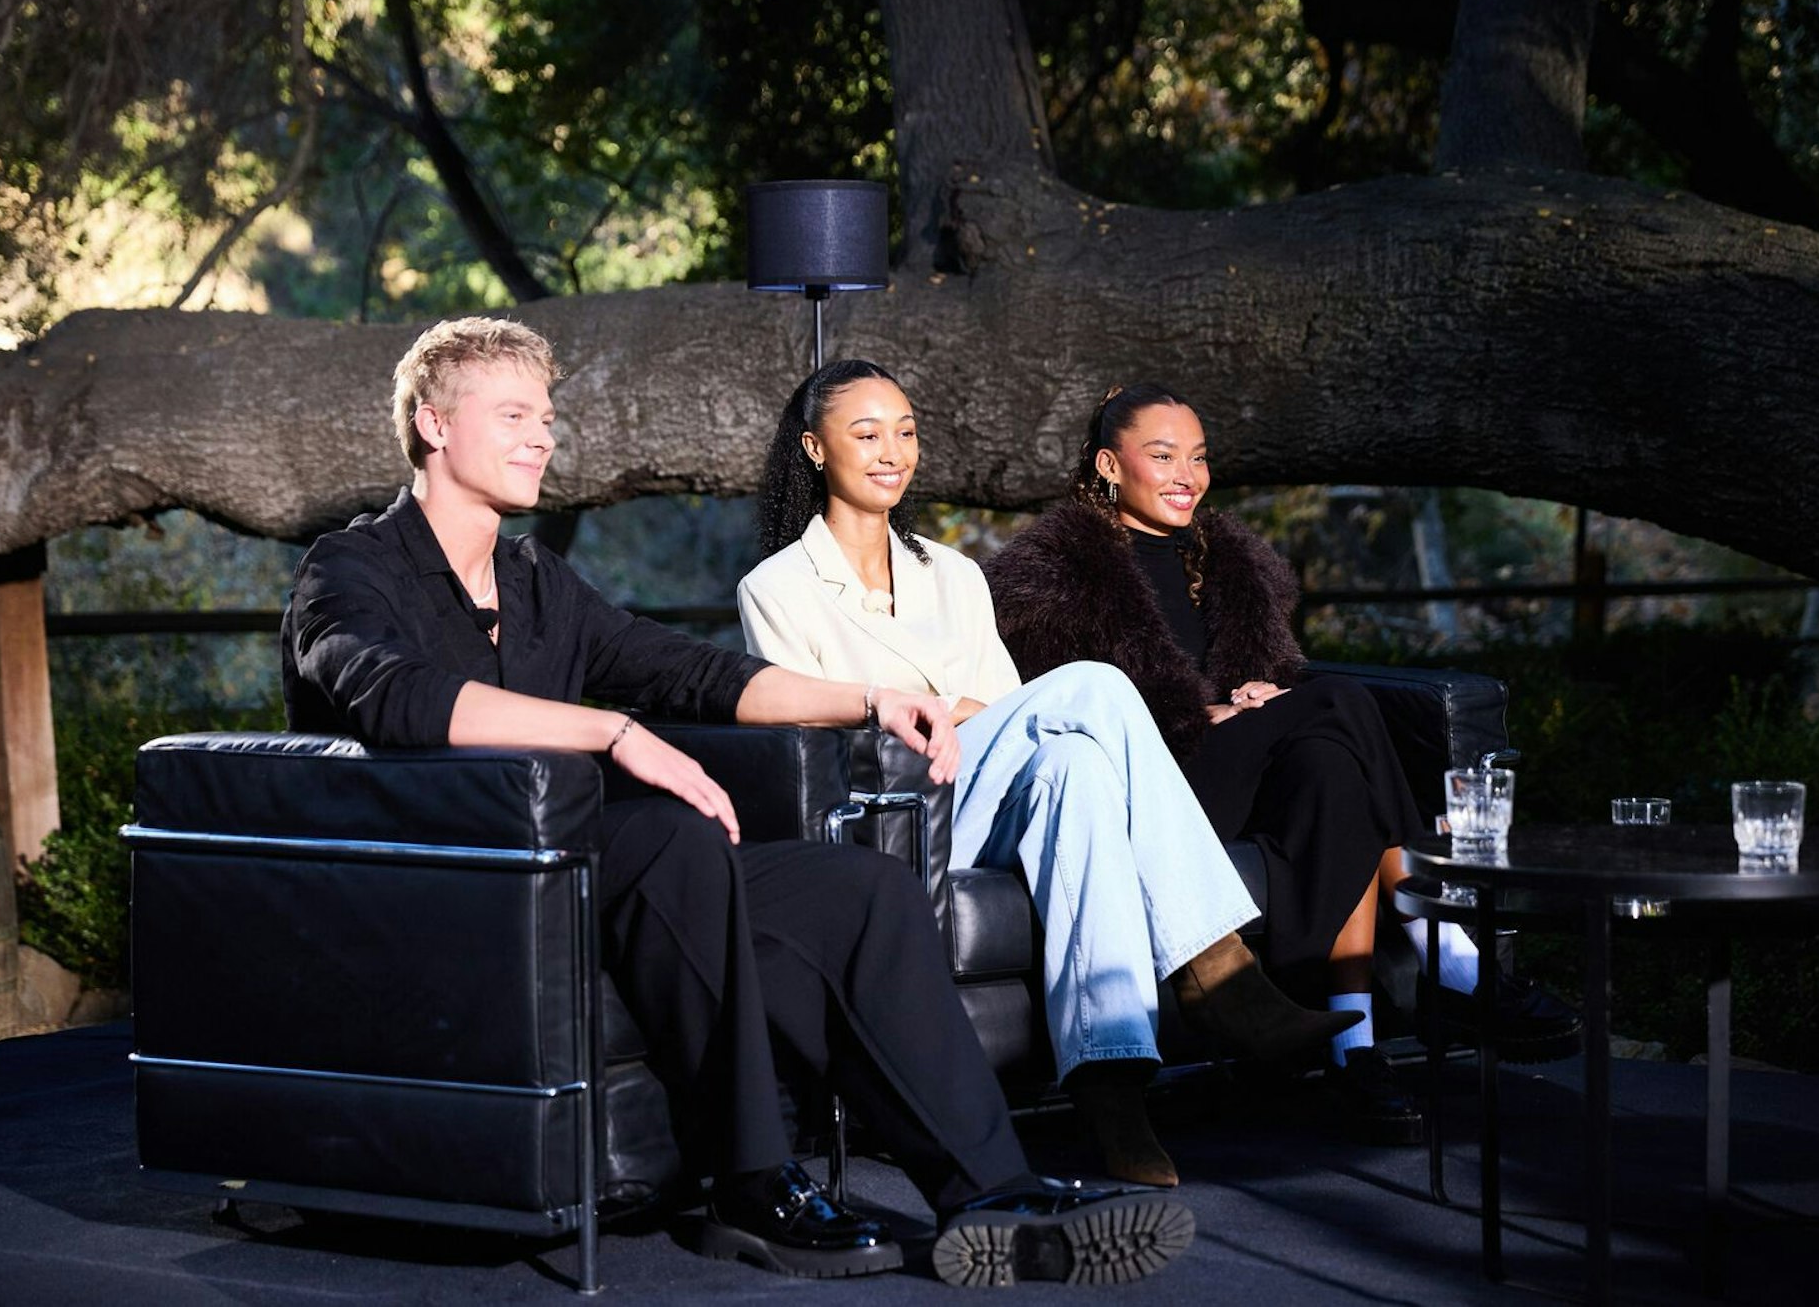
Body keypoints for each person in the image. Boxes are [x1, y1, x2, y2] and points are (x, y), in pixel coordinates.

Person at [280, 318, 1194, 1287]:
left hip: (588, 876)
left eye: (545, 417)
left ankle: (990, 1192)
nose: (542, 436)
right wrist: (613, 731)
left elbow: (692, 674)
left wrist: (870, 699)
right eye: (513, 414)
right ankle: (750, 1184)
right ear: (430, 422)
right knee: (669, 831)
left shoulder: (536, 580)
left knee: (861, 892)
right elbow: (397, 699)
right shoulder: (349, 569)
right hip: (457, 885)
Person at [737, 359, 1359, 1186]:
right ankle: (1218, 969)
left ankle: (1111, 1091)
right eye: (867, 434)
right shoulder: (775, 587)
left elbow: (1003, 709)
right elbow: (798, 728)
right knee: (1094, 689)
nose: (893, 452)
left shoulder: (952, 575)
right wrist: (930, 706)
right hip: (888, 803)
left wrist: (964, 711)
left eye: (907, 432)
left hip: (982, 788)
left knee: (1075, 766)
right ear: (816, 449)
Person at [982, 382, 1583, 1144]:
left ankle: (1352, 1047)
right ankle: (1452, 951)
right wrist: (1200, 713)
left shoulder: (1233, 563)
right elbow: (1063, 712)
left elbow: (1276, 681)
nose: (1185, 475)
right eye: (1162, 456)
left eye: (1198, 458)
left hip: (1237, 770)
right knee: (1338, 705)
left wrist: (1263, 692)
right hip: (1150, 788)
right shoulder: (1052, 576)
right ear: (1108, 464)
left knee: (1333, 761)